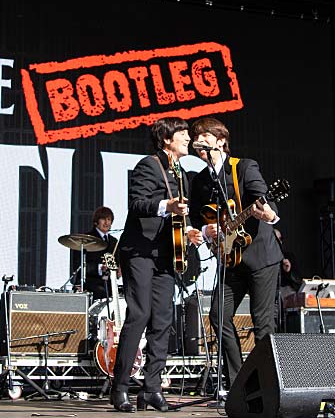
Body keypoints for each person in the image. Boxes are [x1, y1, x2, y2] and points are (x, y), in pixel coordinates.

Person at [111, 117, 203, 413]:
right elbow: (137, 204)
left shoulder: (182, 174)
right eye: (183, 133)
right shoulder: (149, 166)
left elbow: (179, 217)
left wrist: (188, 231)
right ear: (166, 139)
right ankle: (120, 388)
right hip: (140, 251)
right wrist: (167, 206)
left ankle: (151, 389)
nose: (188, 138)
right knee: (139, 315)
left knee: (163, 319)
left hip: (166, 254)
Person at [187, 116, 282, 392]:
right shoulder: (200, 180)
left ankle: (268, 385)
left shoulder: (243, 167)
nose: (199, 141)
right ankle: (238, 382)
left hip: (261, 257)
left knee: (262, 323)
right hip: (230, 259)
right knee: (218, 316)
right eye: (196, 137)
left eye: (205, 136)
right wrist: (206, 230)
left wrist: (269, 213)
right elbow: (195, 217)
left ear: (220, 141)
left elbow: (263, 198)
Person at [71, 206, 119, 300]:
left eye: (109, 219)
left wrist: (118, 271)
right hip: (90, 284)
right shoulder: (84, 240)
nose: (106, 223)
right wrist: (99, 268)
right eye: (103, 219)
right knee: (101, 292)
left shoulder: (114, 242)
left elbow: (116, 264)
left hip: (109, 285)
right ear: (96, 222)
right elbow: (78, 266)